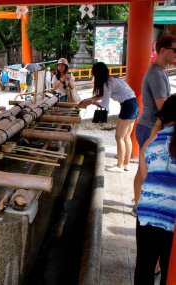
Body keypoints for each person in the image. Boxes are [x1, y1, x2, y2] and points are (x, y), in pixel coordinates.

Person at [134, 95, 176, 285]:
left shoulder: (152, 143)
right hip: (172, 220)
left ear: (163, 117)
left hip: (148, 214)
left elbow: (145, 178)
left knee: (144, 267)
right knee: (169, 271)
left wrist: (158, 124)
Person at [132, 34, 176, 215]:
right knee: (147, 168)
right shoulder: (156, 74)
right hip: (151, 127)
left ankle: (138, 201)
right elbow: (163, 108)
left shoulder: (159, 72)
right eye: (175, 50)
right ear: (163, 50)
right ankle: (140, 204)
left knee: (143, 166)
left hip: (148, 125)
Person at [78, 62, 139, 172]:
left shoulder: (107, 84)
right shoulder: (112, 79)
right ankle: (126, 164)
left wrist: (92, 102)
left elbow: (104, 105)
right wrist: (88, 100)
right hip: (134, 104)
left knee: (119, 137)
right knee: (126, 137)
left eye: (94, 74)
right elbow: (102, 96)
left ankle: (119, 166)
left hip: (128, 106)